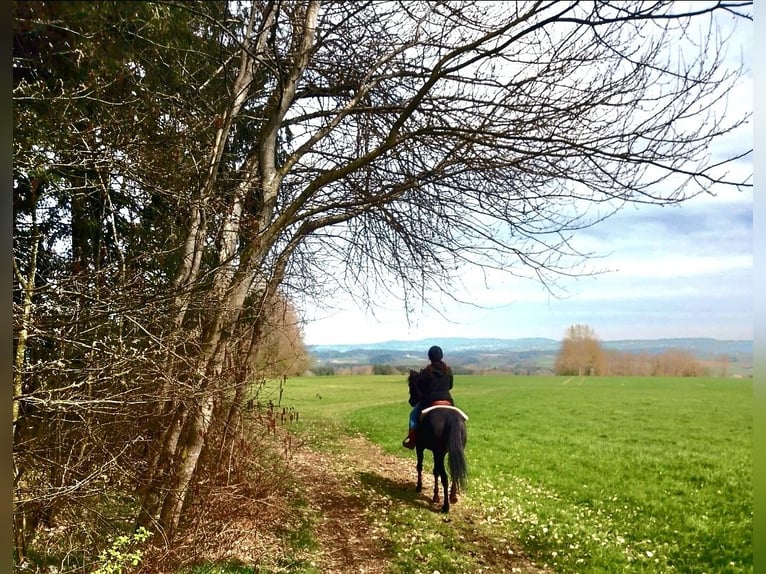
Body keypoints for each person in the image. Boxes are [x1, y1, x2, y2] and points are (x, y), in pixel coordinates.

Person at [402, 345, 454, 449]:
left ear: (430, 357)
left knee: (413, 415)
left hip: (431, 402)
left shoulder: (427, 371)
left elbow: (420, 387)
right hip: (448, 401)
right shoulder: (448, 370)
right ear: (441, 356)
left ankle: (411, 440)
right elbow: (450, 386)